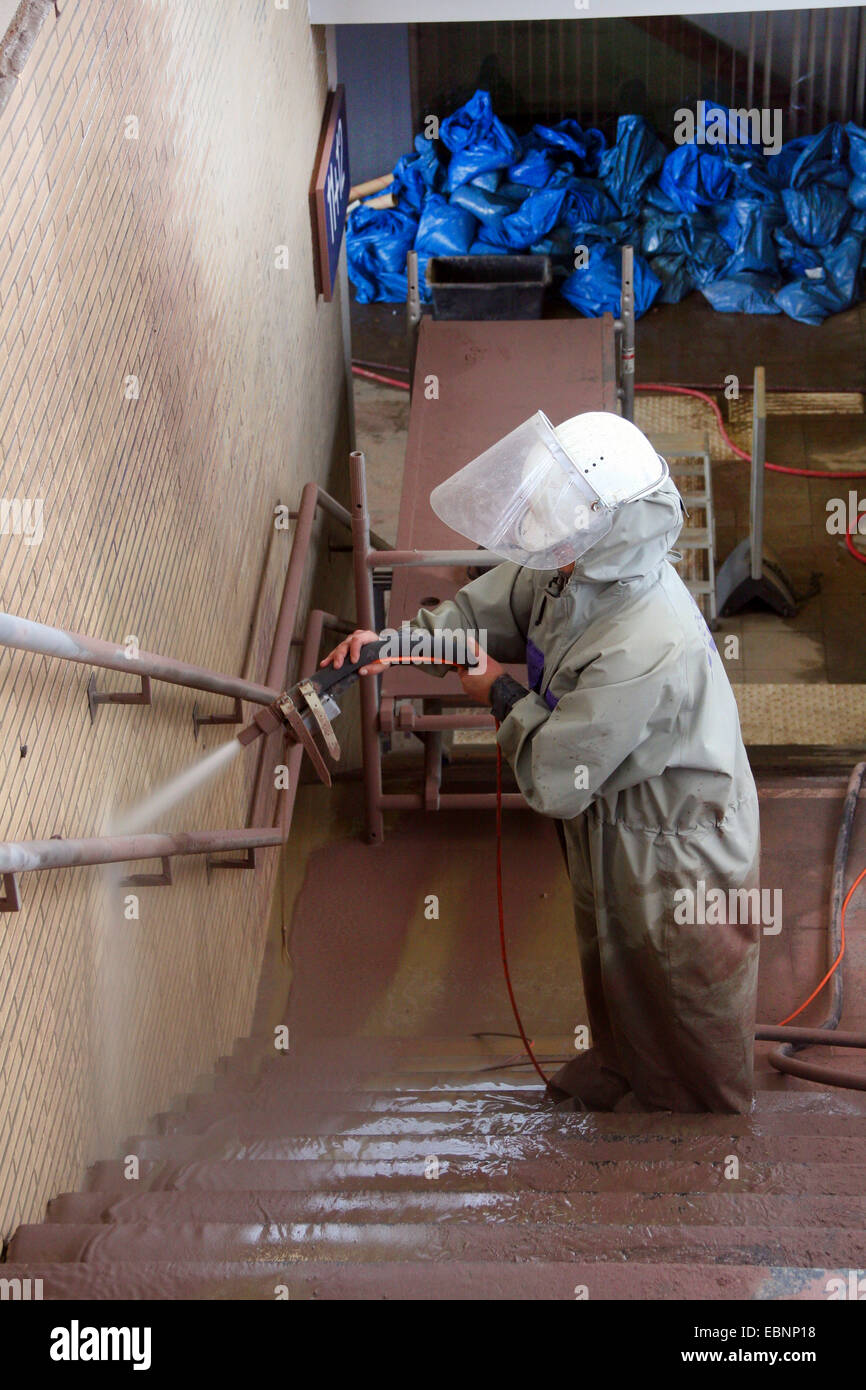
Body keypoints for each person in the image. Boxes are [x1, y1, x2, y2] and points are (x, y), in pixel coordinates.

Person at [323, 410, 761, 1114]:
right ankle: (626, 1067)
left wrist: (490, 686)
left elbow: (558, 775)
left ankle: (698, 1124)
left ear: (603, 530)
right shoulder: (575, 572)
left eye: (558, 538)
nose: (544, 551)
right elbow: (488, 611)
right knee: (614, 953)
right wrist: (403, 643)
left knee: (680, 985)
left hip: (677, 841)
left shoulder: (646, 640)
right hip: (616, 817)